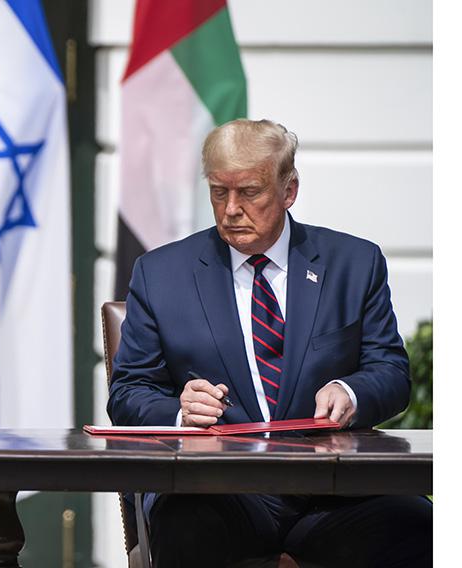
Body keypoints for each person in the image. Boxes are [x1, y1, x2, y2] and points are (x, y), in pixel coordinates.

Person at [107, 119, 431, 567]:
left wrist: (352, 392)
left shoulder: (354, 264)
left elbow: (392, 373)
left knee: (418, 526)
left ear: (288, 190)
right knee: (184, 525)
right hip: (219, 492)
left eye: (250, 192)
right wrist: (181, 412)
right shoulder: (161, 274)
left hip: (334, 494)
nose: (231, 209)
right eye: (219, 192)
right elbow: (127, 393)